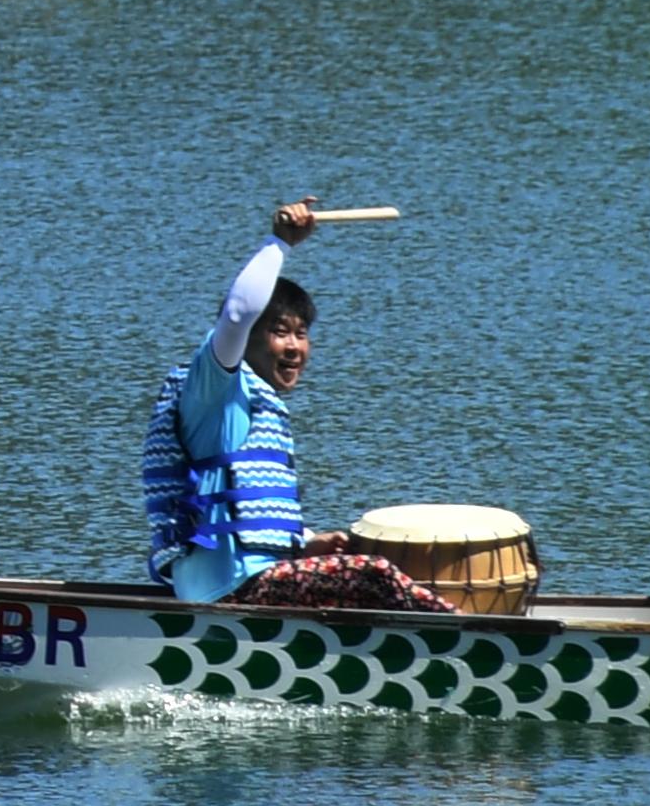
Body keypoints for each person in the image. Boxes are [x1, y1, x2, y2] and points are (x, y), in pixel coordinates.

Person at [138, 200, 455, 614]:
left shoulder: (256, 400)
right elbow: (237, 314)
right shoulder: (213, 390)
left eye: (301, 334)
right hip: (228, 590)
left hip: (257, 580)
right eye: (279, 332)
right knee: (371, 574)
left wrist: (306, 541)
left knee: (365, 568)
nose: (294, 347)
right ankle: (474, 638)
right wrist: (279, 242)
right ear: (248, 340)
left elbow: (236, 510)